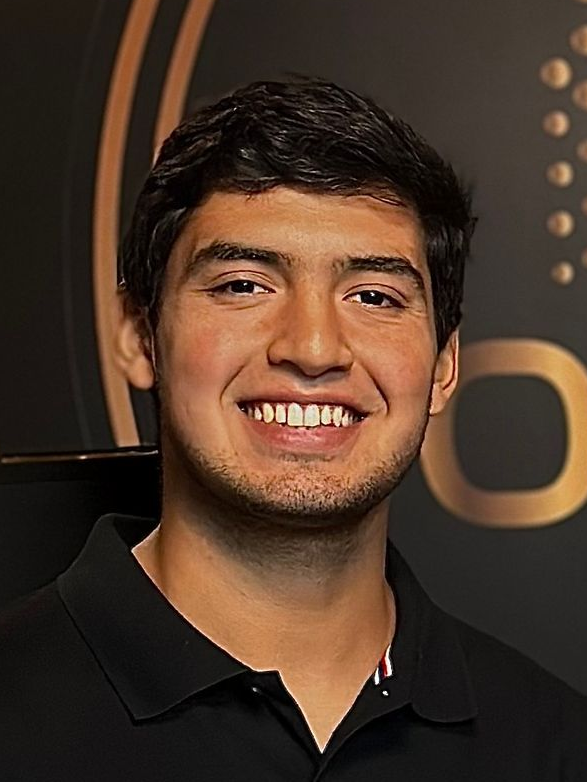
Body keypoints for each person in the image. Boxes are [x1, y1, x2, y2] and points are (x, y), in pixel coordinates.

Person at [1, 78, 586, 781]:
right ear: (138, 335)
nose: (312, 348)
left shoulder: (554, 745)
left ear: (442, 365)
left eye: (374, 296)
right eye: (243, 285)